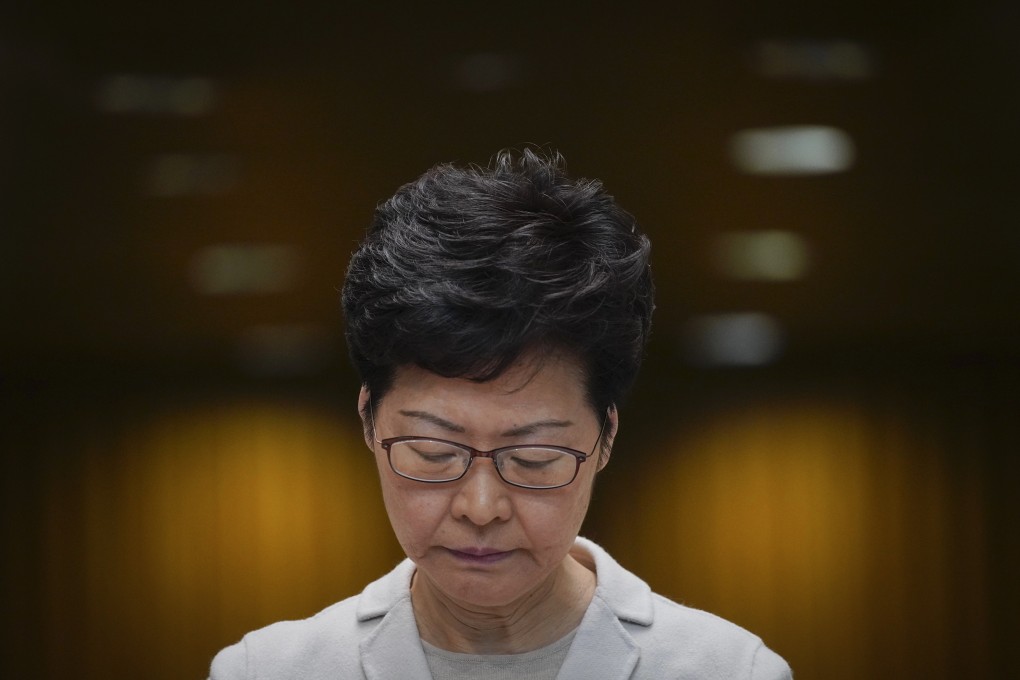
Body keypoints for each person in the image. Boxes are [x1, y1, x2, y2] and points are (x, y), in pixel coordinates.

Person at [209, 149, 792, 679]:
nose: (481, 508)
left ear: (606, 436)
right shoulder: (266, 671)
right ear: (369, 421)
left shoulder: (730, 671)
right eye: (434, 452)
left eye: (534, 457)